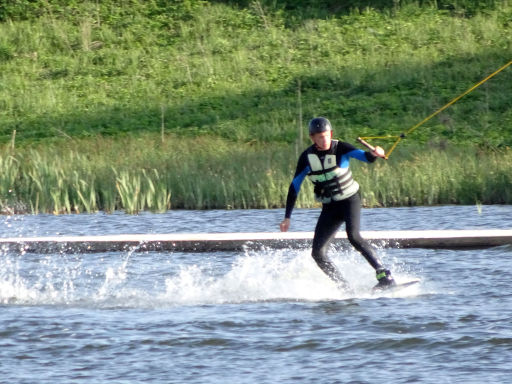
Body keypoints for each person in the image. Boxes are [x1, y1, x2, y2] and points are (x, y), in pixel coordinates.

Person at [279, 117, 396, 290]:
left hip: (350, 200)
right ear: (312, 138)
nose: (324, 139)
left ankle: (384, 275)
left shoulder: (341, 148)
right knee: (317, 253)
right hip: (330, 207)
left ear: (331, 134)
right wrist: (287, 217)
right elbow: (294, 186)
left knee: (353, 236)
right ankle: (344, 287)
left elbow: (365, 157)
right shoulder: (306, 158)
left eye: (326, 135)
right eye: (319, 137)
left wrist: (374, 153)